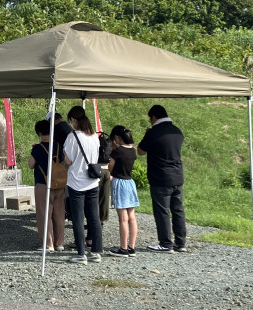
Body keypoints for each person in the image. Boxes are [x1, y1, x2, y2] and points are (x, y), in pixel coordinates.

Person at [137, 105, 187, 253]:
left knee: (162, 211)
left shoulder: (154, 132)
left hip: (161, 177)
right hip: (177, 175)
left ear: (154, 117)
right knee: (178, 210)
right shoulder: (177, 131)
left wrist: (147, 135)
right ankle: (181, 243)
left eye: (150, 119)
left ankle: (165, 243)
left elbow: (140, 151)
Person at [63, 106, 102, 265]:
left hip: (76, 182)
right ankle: (96, 252)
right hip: (92, 181)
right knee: (94, 217)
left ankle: (81, 253)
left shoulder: (72, 137)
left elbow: (68, 160)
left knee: (78, 219)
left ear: (73, 120)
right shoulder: (94, 136)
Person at [28, 120, 65, 252]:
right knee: (59, 214)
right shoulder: (58, 146)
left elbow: (31, 165)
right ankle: (59, 242)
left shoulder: (38, 148)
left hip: (43, 184)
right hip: (59, 183)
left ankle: (48, 243)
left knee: (44, 214)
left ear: (39, 132)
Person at [107, 125, 139, 257]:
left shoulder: (117, 152)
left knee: (122, 218)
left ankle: (123, 248)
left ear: (117, 138)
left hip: (119, 182)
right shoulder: (133, 151)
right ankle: (131, 246)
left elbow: (110, 167)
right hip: (130, 183)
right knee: (132, 216)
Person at [46, 111, 74, 221]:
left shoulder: (56, 129)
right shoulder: (68, 126)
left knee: (61, 187)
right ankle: (70, 213)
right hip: (72, 162)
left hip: (63, 162)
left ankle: (64, 213)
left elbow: (52, 146)